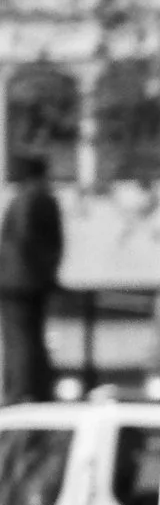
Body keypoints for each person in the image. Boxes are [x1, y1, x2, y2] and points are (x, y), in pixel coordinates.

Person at [0, 152, 62, 405]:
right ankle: (31, 388)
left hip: (18, 281)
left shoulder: (28, 197)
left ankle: (22, 391)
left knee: (20, 338)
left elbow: (25, 238)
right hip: (28, 279)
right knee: (29, 337)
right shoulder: (42, 197)